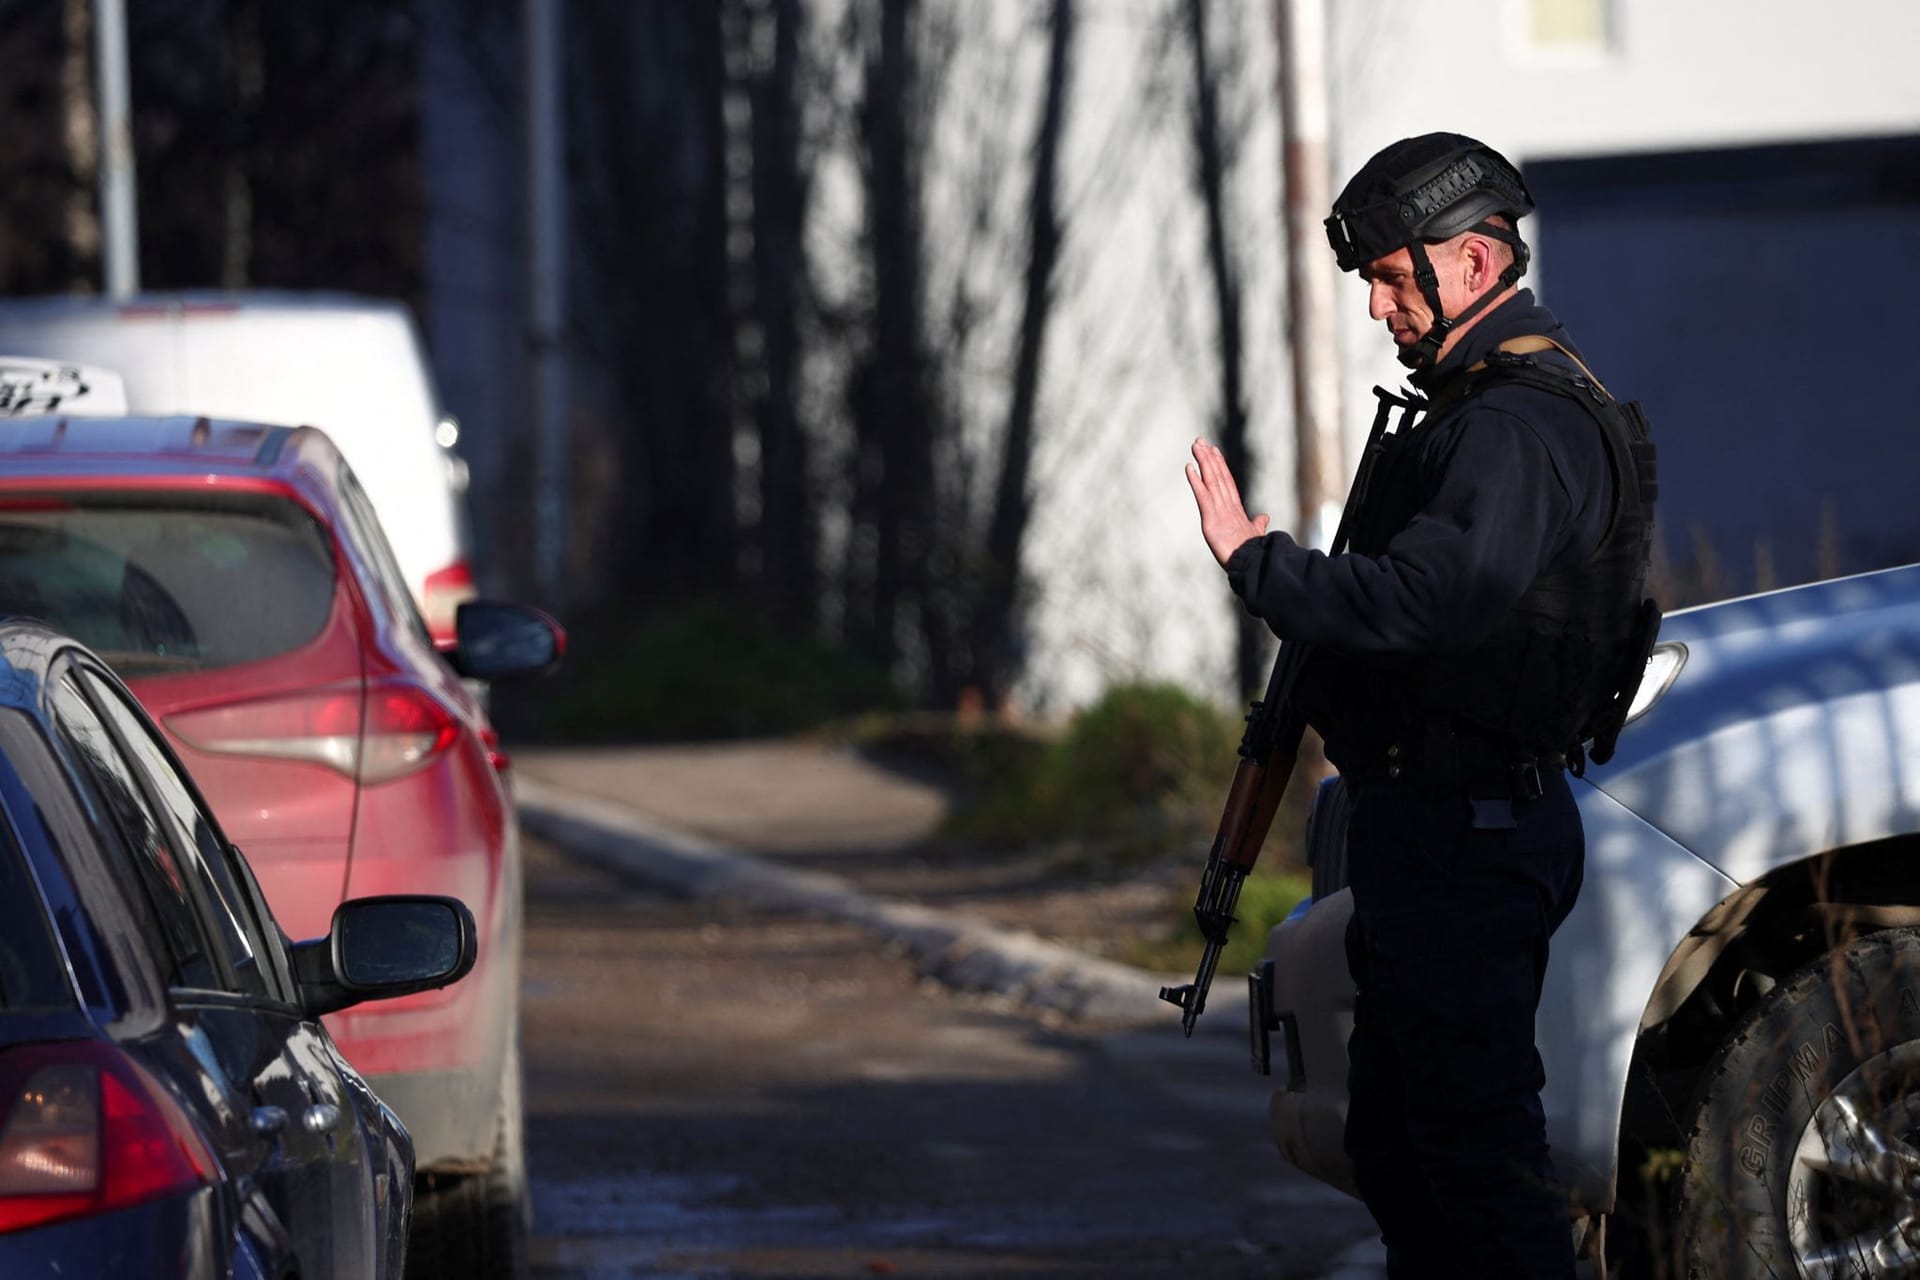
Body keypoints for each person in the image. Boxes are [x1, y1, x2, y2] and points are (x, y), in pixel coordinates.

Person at [1185, 133, 1656, 1277]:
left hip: (1472, 837)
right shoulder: (1481, 406)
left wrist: (1261, 561)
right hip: (1442, 830)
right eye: (1373, 282)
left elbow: (1433, 599)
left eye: (1397, 277)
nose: (1380, 307)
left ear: (1478, 259)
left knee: (1474, 1160)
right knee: (1401, 1142)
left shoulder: (1515, 423)